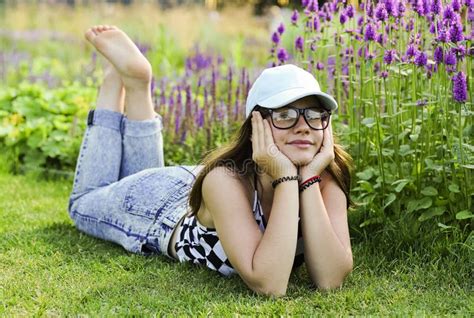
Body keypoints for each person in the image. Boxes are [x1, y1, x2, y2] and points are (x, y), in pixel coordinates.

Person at [69, 25, 353, 297]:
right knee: (83, 201)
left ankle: (135, 83)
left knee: (140, 173)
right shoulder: (224, 180)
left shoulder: (325, 178)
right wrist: (287, 178)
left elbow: (330, 279)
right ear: (256, 126)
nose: (303, 126)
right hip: (159, 208)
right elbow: (270, 283)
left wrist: (309, 179)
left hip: (195, 186)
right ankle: (113, 82)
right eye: (285, 116)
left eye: (314, 116)